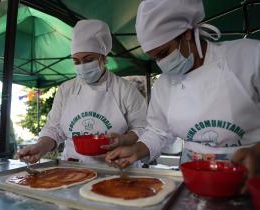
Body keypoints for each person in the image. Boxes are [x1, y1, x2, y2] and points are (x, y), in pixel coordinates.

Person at [106, 0, 260, 183]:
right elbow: (158, 131)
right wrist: (135, 150)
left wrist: (256, 152)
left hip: (250, 171)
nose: (161, 64)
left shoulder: (248, 56)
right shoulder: (164, 85)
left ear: (187, 34)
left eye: (163, 53)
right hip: (192, 173)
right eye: (155, 58)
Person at [17, 19, 147, 164]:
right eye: (76, 62)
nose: (82, 66)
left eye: (88, 59)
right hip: (74, 168)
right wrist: (40, 148)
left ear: (103, 57)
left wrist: (123, 139)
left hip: (116, 168)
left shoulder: (125, 90)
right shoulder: (66, 90)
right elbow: (54, 130)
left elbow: (142, 128)